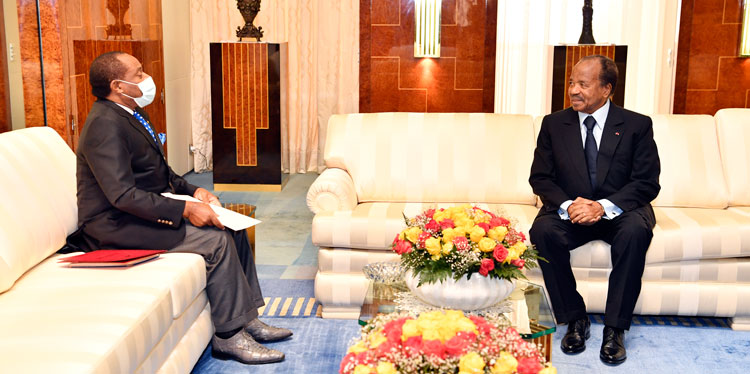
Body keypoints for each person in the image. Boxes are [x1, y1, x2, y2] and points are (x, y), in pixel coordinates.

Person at [67, 51, 291, 365]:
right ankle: (228, 338)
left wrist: (194, 190)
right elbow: (122, 196)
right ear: (117, 85)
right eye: (139, 73)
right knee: (216, 242)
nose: (147, 79)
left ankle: (246, 319)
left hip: (136, 211)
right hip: (114, 224)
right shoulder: (104, 125)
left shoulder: (130, 113)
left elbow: (158, 174)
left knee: (232, 227)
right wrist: (185, 211)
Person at [528, 55, 660, 365]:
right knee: (543, 231)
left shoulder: (637, 125)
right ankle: (575, 319)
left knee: (635, 232)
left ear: (606, 89)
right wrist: (569, 204)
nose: (573, 90)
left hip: (620, 209)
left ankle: (615, 329)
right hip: (572, 209)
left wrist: (601, 207)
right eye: (572, 83)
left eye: (583, 84)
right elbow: (540, 178)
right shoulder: (553, 124)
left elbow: (646, 183)